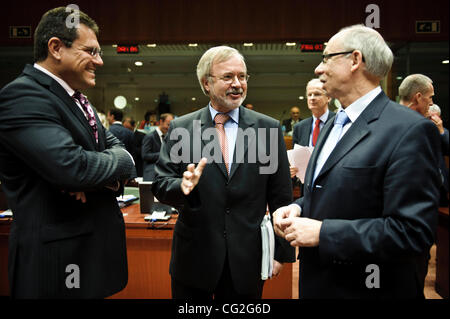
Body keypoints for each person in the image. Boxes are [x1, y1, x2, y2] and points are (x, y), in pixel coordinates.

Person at [273, 24, 441, 299]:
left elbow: (413, 232)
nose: (318, 69)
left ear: (355, 60)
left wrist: (323, 233)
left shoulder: (408, 130)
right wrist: (298, 207)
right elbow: (334, 191)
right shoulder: (333, 125)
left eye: (326, 58)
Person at [0, 7, 136, 298]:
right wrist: (94, 171)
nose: (99, 61)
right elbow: (73, 168)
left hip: (89, 259)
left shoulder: (77, 99)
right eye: (91, 51)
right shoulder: (22, 96)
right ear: (56, 48)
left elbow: (118, 152)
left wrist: (100, 173)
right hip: (57, 267)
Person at [151, 45, 295, 299]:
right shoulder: (182, 128)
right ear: (206, 83)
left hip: (248, 259)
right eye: (228, 77)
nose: (237, 84)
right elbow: (161, 184)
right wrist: (181, 187)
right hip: (195, 259)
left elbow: (281, 198)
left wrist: (280, 252)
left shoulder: (268, 129)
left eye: (242, 76)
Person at [399, 76, 449, 207]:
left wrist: (441, 130)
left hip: (436, 197)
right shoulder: (396, 124)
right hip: (411, 202)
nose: (432, 103)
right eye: (430, 97)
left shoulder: (429, 123)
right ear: (418, 97)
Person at [290, 78, 335, 191]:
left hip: (331, 185)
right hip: (306, 187)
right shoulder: (300, 127)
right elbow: (295, 159)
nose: (312, 98)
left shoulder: (338, 122)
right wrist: (293, 169)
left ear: (328, 97)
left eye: (317, 94)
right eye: (309, 95)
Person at [141, 113, 174, 181]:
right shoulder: (150, 136)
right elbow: (145, 155)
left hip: (163, 175)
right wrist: (164, 154)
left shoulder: (168, 137)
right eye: (168, 124)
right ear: (161, 122)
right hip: (151, 175)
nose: (169, 127)